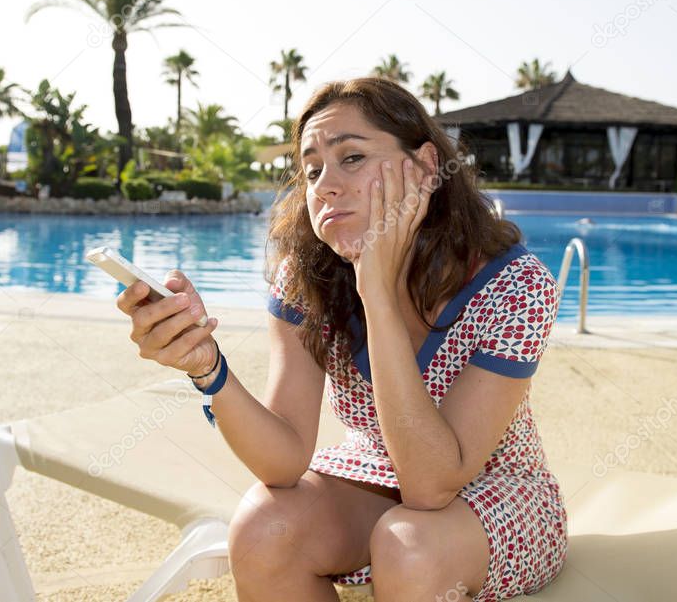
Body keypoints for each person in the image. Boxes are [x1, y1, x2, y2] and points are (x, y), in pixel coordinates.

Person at [116, 77, 567, 601]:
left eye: (351, 157)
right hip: (375, 474)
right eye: (312, 170)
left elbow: (430, 486)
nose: (325, 184)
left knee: (409, 546)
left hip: (498, 491)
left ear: (423, 167)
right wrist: (207, 366)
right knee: (264, 528)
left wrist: (377, 291)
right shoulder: (307, 279)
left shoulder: (515, 286)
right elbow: (283, 460)